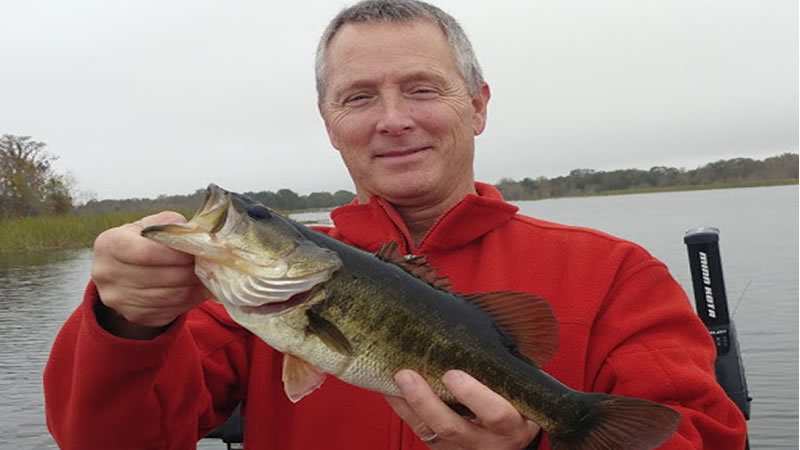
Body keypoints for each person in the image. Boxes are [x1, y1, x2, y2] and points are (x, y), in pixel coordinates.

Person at [44, 1, 748, 449]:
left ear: (477, 106)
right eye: (358, 97)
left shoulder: (616, 275)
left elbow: (705, 441)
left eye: (421, 88)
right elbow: (104, 440)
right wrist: (126, 325)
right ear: (330, 126)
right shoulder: (239, 304)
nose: (392, 119)